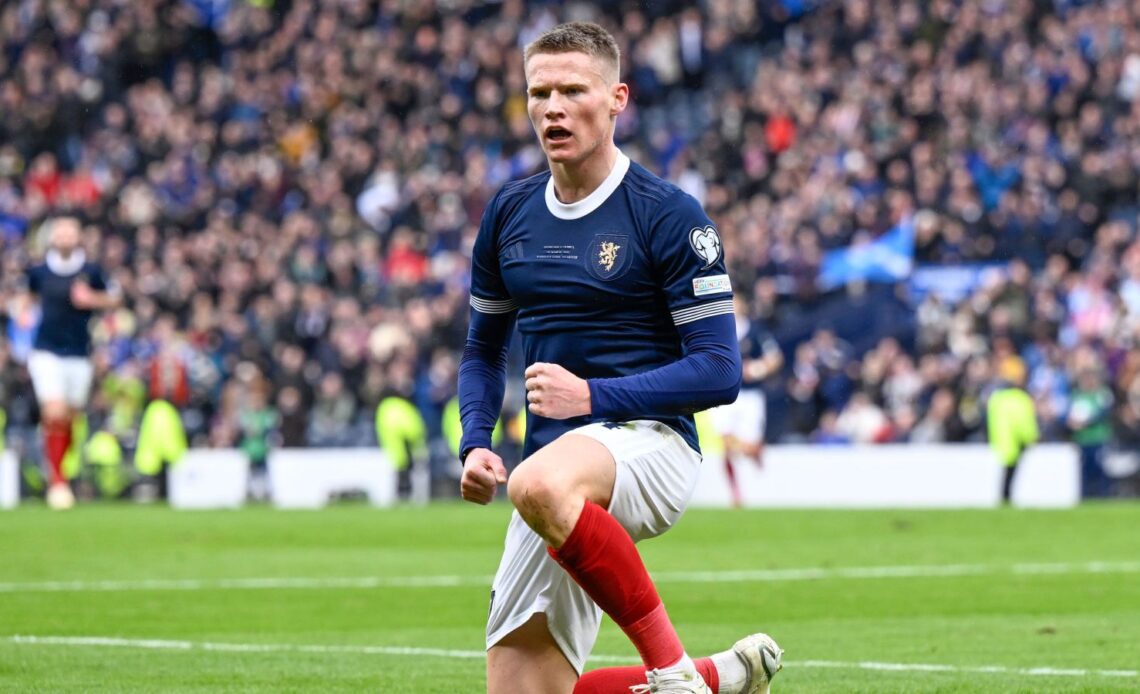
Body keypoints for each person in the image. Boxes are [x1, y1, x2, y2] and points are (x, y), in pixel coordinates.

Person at [458, 22, 782, 694]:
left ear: (616, 99)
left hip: (651, 446)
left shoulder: (669, 215)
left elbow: (721, 369)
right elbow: (483, 348)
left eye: (572, 90)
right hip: (549, 476)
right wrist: (473, 441)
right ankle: (721, 677)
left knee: (539, 484)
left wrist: (593, 398)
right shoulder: (509, 213)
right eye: (539, 92)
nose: (553, 107)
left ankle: (674, 673)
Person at [23, 216, 120, 509]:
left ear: (78, 237)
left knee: (71, 418)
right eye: (60, 232)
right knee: (54, 411)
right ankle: (58, 482)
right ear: (52, 238)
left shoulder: (91, 271)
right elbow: (26, 300)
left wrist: (92, 299)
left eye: (70, 232)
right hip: (46, 351)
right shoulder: (39, 272)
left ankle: (58, 470)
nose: (64, 237)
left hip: (79, 353)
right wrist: (22, 314)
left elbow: (114, 299)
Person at [709, 296, 783, 507]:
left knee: (749, 446)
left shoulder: (756, 331)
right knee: (726, 442)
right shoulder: (718, 330)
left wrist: (758, 369)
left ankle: (756, 458)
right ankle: (735, 494)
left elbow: (775, 358)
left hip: (750, 395)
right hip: (725, 396)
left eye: (736, 301)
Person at [986, 360, 1039, 504]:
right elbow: (1025, 423)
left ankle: (1004, 501)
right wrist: (1032, 438)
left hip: (1000, 443)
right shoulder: (1020, 398)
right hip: (1016, 443)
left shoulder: (996, 398)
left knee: (1006, 476)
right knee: (1011, 476)